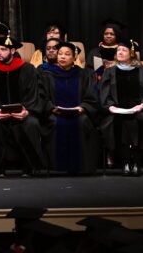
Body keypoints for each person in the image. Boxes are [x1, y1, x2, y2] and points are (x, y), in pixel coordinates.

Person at [0, 33, 45, 177]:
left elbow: (35, 94)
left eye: (3, 49)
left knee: (31, 123)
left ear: (13, 51)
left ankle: (30, 169)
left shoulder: (28, 69)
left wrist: (27, 110)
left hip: (22, 113)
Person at [38, 42, 101, 175]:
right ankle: (55, 167)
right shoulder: (47, 75)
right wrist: (51, 108)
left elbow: (92, 95)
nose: (62, 57)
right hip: (55, 113)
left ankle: (82, 167)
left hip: (79, 113)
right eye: (60, 54)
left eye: (67, 54)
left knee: (83, 122)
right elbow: (42, 97)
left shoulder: (84, 74)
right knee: (54, 122)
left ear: (74, 57)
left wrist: (83, 107)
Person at [100, 41, 143, 176]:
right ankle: (125, 161)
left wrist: (142, 104)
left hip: (139, 110)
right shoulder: (110, 71)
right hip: (116, 111)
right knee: (121, 122)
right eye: (118, 50)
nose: (119, 52)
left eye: (124, 50)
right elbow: (104, 92)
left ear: (131, 53)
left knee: (140, 121)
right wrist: (110, 107)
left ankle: (136, 161)